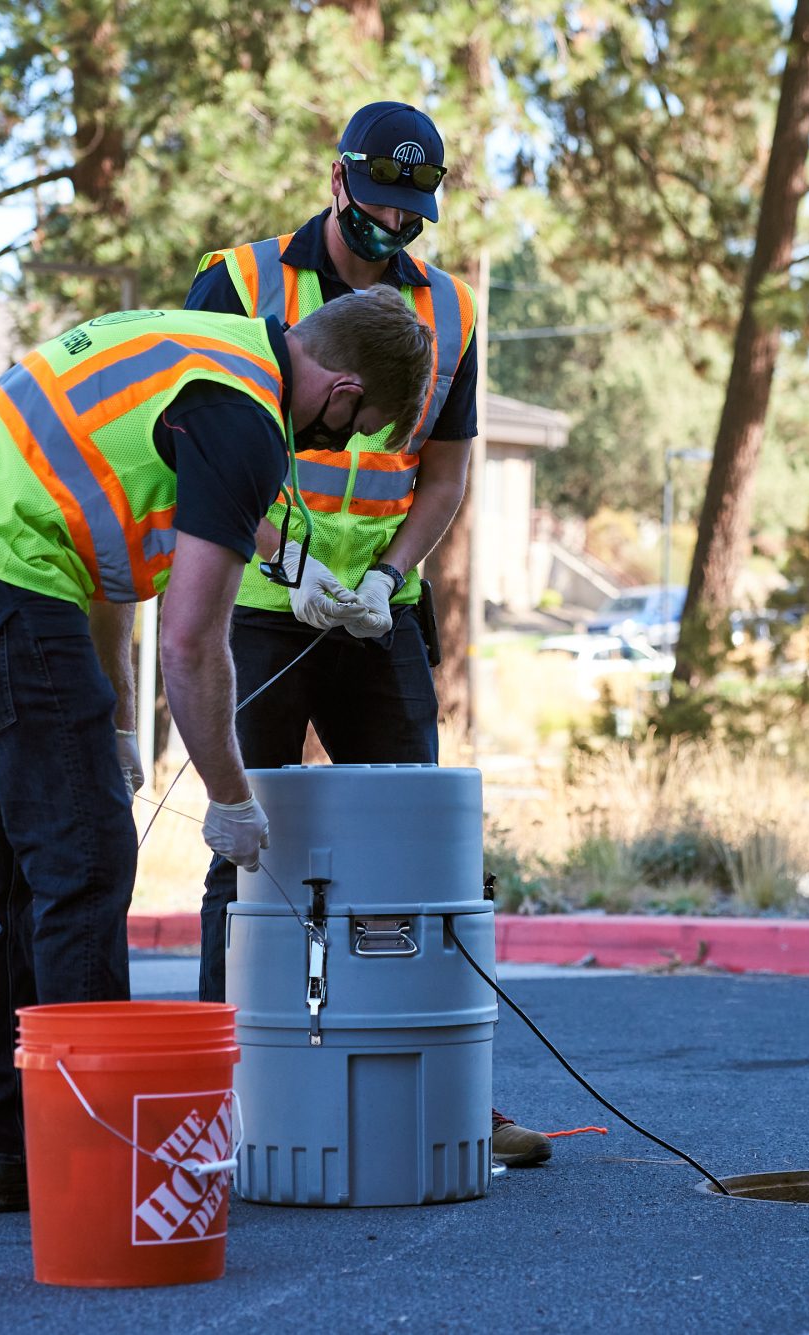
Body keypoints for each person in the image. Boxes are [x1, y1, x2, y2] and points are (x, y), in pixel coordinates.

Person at [0, 289, 434, 1211]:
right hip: (0, 571)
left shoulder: (208, 352)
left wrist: (121, 719)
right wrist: (233, 796)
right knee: (85, 857)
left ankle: (9, 1152)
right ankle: (90, 1168)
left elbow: (98, 526)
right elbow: (191, 640)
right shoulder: (247, 420)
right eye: (355, 427)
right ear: (341, 386)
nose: (339, 448)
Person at [185, 101, 552, 1168]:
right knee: (241, 849)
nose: (393, 235)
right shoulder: (244, 281)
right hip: (259, 608)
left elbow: (444, 472)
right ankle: (225, 1093)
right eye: (378, 210)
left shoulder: (449, 310)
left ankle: (449, 1090)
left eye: (414, 217)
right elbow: (198, 439)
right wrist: (279, 560)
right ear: (338, 182)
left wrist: (388, 576)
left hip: (372, 611)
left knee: (420, 857)